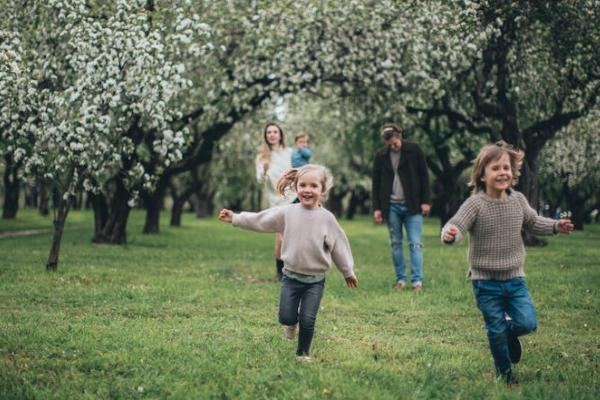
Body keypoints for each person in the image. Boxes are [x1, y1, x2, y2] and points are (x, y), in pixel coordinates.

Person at [441, 141, 574, 386]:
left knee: (527, 322)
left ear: (513, 172)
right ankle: (505, 374)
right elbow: (457, 224)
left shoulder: (518, 201)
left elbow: (533, 222)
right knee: (494, 330)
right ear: (482, 174)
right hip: (485, 283)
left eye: (507, 167)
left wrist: (555, 226)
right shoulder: (475, 204)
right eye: (496, 168)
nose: (503, 172)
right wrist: (450, 234)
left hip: (514, 279)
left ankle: (509, 335)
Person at [219, 164, 358, 362]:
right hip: (290, 277)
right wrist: (236, 218)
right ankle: (290, 324)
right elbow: (261, 219)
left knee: (308, 320)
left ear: (322, 190)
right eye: (303, 185)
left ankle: (303, 353)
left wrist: (348, 271)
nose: (307, 190)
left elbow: (340, 246)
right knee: (286, 316)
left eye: (314, 186)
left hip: (315, 281)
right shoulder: (288, 212)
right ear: (295, 187)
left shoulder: (327, 219)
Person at [371, 123, 431, 291]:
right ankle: (401, 280)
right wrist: (377, 208)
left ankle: (417, 281)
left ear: (400, 135)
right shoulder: (381, 156)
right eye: (389, 144)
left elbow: (424, 176)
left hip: (413, 205)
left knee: (415, 243)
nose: (393, 146)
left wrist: (426, 201)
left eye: (395, 142)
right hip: (391, 206)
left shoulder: (414, 150)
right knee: (396, 243)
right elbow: (376, 183)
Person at [255, 122, 294, 280]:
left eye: (275, 132)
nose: (272, 134)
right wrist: (264, 170)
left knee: (294, 234)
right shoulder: (262, 157)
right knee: (282, 235)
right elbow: (260, 180)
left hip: (294, 197)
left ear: (280, 135)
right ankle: (281, 271)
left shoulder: (289, 152)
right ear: (266, 136)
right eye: (269, 132)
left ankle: (295, 268)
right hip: (277, 200)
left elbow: (299, 170)